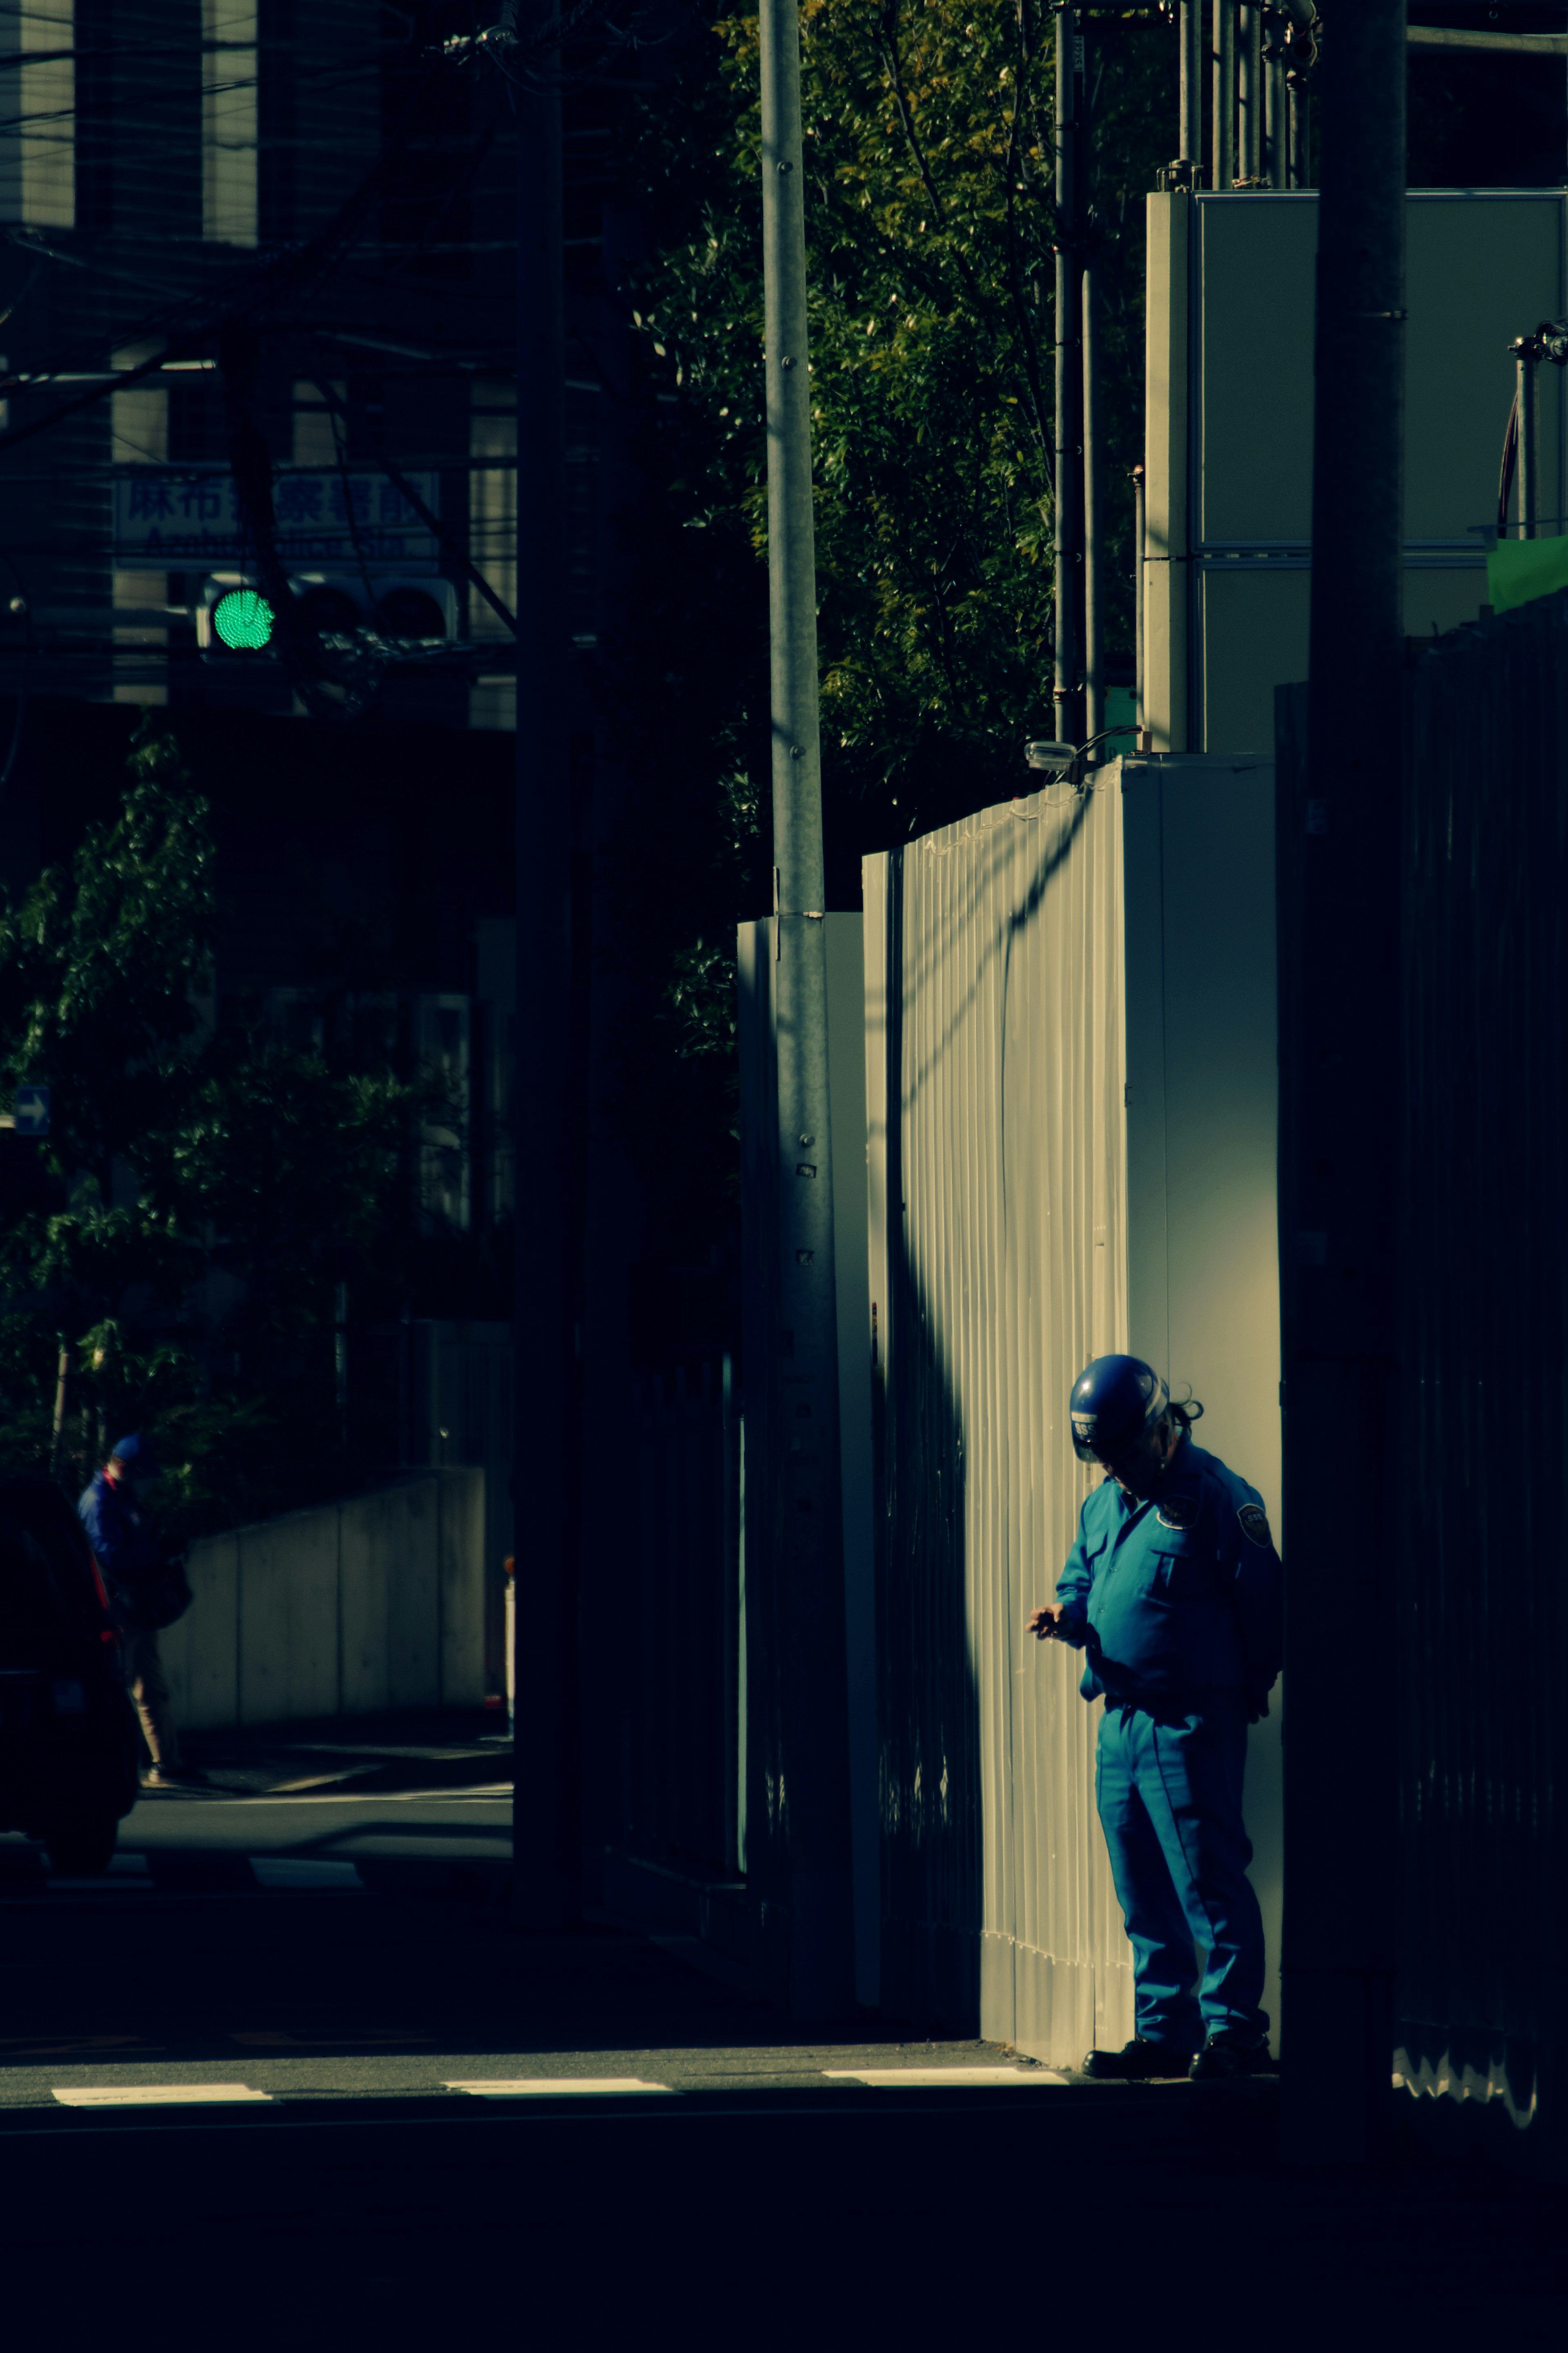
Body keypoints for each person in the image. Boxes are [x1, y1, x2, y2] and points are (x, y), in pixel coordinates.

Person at [1028, 1354, 1282, 2082]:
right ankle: (1166, 2028)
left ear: (1160, 1428)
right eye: (1101, 1456)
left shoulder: (1215, 1496)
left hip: (1189, 1722)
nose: (1113, 1469)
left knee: (1210, 1881)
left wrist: (1252, 1683)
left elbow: (1263, 1599)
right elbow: (1082, 1578)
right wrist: (1066, 1615)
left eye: (1121, 1452)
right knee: (1140, 1886)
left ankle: (1237, 2035)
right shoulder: (1103, 1502)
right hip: (1122, 1722)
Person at [79, 1434, 203, 1790]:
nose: (148, 1482)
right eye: (144, 1474)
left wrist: (159, 1545)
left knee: (151, 1683)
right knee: (142, 1684)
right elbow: (112, 1556)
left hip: (134, 1605)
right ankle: (161, 1764)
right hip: (121, 1608)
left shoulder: (121, 1498)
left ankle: (169, 1761)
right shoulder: (99, 1502)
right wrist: (157, 1553)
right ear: (125, 1468)